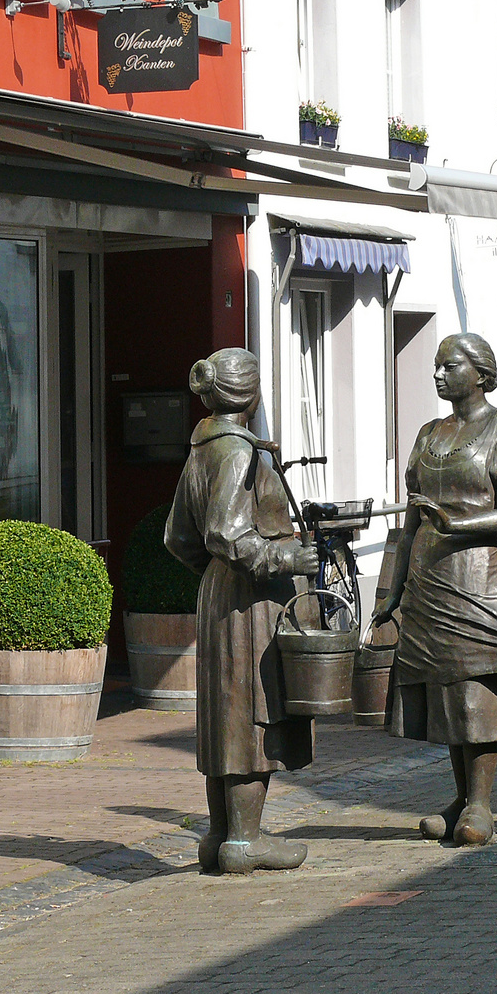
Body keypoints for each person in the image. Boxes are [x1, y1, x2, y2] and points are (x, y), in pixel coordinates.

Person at [373, 333, 497, 847]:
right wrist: (391, 592)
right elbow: (412, 520)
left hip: (480, 579)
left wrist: (455, 524)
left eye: (448, 366)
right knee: (446, 694)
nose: (437, 375)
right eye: (435, 367)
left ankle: (481, 803)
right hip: (430, 580)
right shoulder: (428, 434)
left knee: (477, 691)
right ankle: (459, 797)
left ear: (480, 373)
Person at [165, 348, 321, 874]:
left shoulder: (201, 448)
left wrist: (214, 578)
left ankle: (219, 835)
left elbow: (177, 538)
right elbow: (227, 533)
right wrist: (286, 556)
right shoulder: (237, 451)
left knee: (223, 712)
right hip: (254, 595)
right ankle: (246, 840)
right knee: (255, 709)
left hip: (220, 593)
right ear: (250, 395)